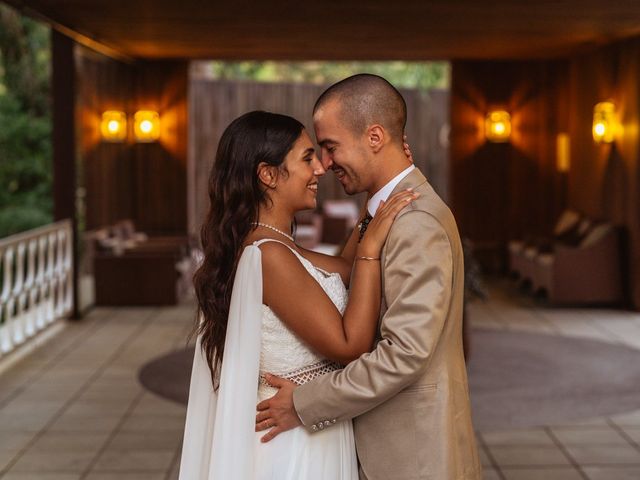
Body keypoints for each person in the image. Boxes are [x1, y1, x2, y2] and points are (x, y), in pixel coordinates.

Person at [255, 74, 483, 479]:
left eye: (330, 147)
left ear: (375, 137)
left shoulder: (415, 222)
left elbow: (405, 354)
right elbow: (343, 274)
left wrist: (305, 403)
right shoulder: (383, 211)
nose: (325, 164)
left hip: (411, 454)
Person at [178, 110, 417, 479]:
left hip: (306, 425)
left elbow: (346, 270)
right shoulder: (269, 256)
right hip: (292, 445)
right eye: (307, 158)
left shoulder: (276, 247)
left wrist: (382, 185)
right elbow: (350, 343)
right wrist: (370, 249)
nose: (320, 168)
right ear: (268, 174)